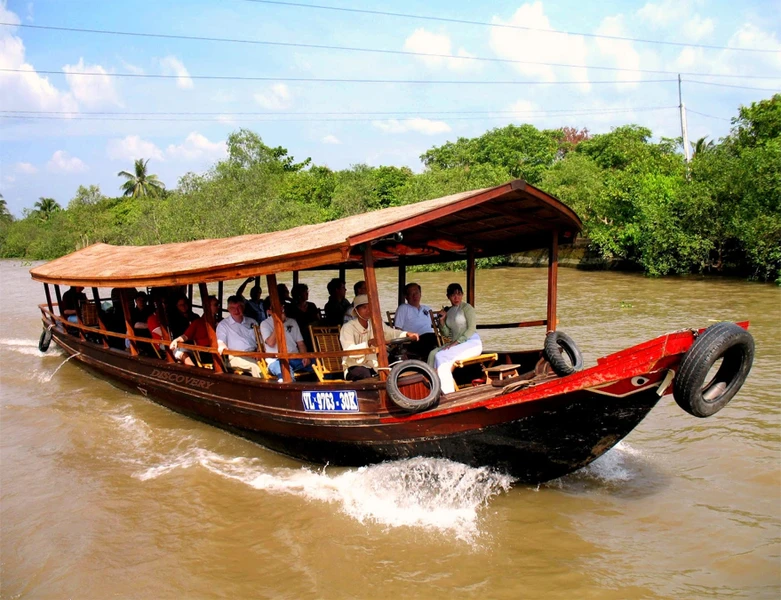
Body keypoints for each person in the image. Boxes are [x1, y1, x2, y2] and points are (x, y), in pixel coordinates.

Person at [340, 294, 419, 381]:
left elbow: (390, 332)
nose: (368, 310)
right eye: (364, 307)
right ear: (356, 310)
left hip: (374, 366)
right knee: (365, 374)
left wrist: (406, 334)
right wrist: (368, 343)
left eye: (370, 307)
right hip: (354, 366)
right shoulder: (347, 327)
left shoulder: (375, 323)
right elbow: (349, 350)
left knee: (401, 367)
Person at [428, 283, 483, 394]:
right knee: (434, 354)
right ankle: (436, 387)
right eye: (453, 295)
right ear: (448, 296)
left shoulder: (467, 308)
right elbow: (446, 333)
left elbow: (471, 329)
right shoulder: (449, 312)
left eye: (459, 294)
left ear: (462, 295)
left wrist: (456, 342)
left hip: (471, 342)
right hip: (457, 344)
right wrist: (442, 321)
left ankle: (444, 391)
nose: (456, 297)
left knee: (440, 356)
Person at [260, 304, 311, 381]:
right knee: (286, 374)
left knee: (322, 364)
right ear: (269, 311)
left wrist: (305, 356)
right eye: (276, 307)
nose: (280, 309)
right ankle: (287, 386)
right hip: (276, 360)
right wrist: (279, 323)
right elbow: (271, 343)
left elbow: (301, 343)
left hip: (295, 357)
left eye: (281, 306)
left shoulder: (292, 321)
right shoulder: (265, 324)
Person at [216, 296, 261, 377]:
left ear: (243, 307)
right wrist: (221, 345)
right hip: (236, 357)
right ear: (228, 309)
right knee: (255, 366)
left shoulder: (252, 322)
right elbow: (221, 341)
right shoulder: (223, 325)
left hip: (255, 354)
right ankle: (261, 385)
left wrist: (259, 351)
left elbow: (260, 340)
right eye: (233, 308)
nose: (236, 311)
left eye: (239, 307)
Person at [170, 296, 220, 366]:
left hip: (220, 349)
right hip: (206, 352)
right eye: (216, 304)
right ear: (207, 306)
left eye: (218, 304)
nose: (218, 307)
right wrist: (176, 340)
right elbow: (186, 336)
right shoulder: (198, 322)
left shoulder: (221, 322)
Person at [394, 282, 438, 359]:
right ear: (406, 297)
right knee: (431, 339)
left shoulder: (426, 308)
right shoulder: (403, 308)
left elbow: (437, 322)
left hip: (431, 338)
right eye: (411, 294)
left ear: (420, 294)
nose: (415, 296)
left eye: (417, 293)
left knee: (439, 338)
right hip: (413, 341)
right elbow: (398, 330)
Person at [289, 283, 320, 351]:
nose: (307, 293)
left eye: (307, 291)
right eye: (304, 292)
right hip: (298, 334)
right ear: (299, 294)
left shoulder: (312, 305)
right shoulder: (291, 308)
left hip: (312, 333)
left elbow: (318, 320)